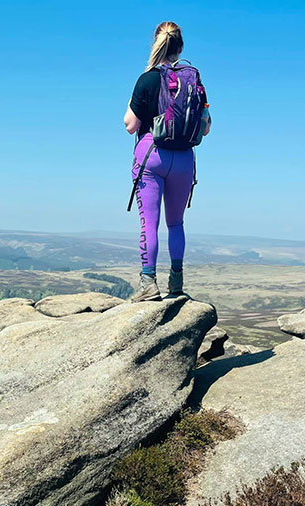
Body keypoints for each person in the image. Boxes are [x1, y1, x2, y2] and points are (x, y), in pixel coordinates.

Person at [124, 21, 211, 303]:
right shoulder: (193, 79)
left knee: (150, 223)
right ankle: (176, 284)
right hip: (185, 159)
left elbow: (129, 124)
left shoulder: (147, 79)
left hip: (152, 154)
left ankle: (149, 284)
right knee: (176, 223)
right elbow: (206, 126)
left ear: (156, 43)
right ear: (180, 47)